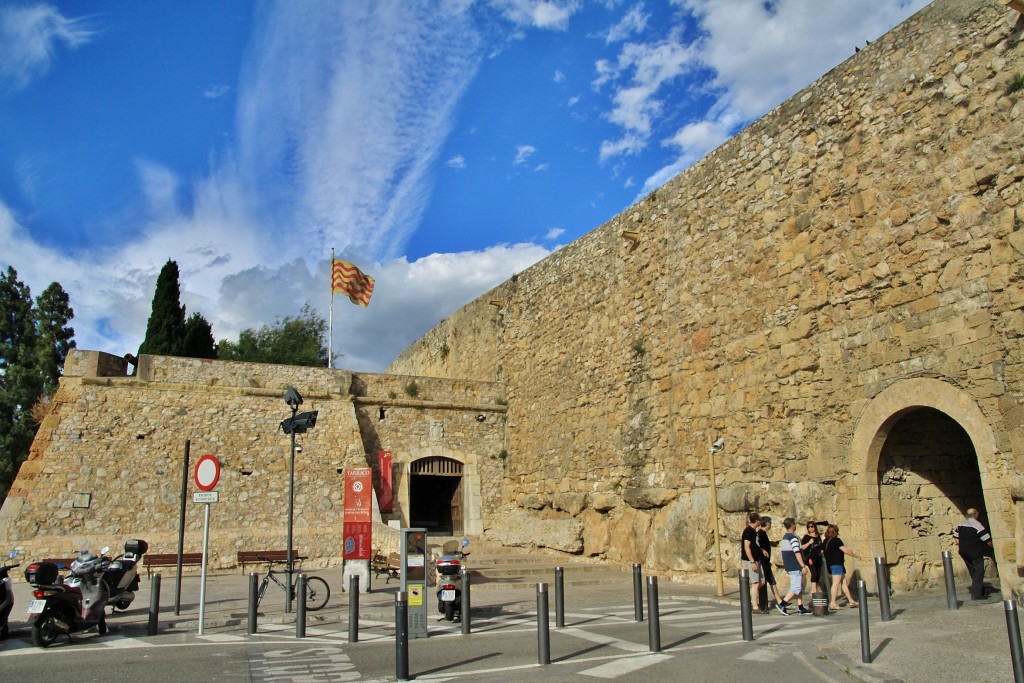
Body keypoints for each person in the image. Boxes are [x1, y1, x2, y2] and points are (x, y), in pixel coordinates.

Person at [953, 508, 994, 600]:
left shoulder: (961, 524)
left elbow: (956, 538)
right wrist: (993, 547)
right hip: (975, 552)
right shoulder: (977, 525)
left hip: (963, 551)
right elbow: (987, 540)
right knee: (979, 571)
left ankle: (980, 589)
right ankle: (976, 594)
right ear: (976, 515)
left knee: (973, 571)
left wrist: (964, 545)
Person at [777, 517, 811, 615]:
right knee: (796, 587)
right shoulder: (792, 538)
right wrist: (803, 566)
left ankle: (801, 607)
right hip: (794, 565)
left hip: (789, 565)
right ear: (792, 525)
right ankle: (782, 604)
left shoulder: (785, 537)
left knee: (799, 586)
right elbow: (797, 552)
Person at [823, 524, 859, 609]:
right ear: (836, 532)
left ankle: (851, 601)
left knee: (844, 583)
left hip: (831, 565)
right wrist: (856, 556)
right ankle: (832, 603)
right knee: (835, 584)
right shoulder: (836, 540)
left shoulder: (825, 541)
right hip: (837, 564)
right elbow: (845, 551)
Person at [757, 516, 784, 612]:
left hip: (765, 562)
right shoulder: (760, 534)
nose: (771, 525)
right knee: (765, 583)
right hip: (763, 562)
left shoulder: (763, 534)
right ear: (767, 523)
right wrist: (762, 550)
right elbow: (756, 546)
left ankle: (779, 601)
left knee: (771, 581)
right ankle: (763, 605)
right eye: (770, 523)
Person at [741, 512, 765, 613]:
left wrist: (761, 550)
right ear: (756, 521)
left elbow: (754, 544)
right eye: (760, 519)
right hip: (751, 560)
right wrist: (752, 562)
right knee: (755, 583)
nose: (761, 521)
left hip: (756, 558)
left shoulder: (754, 531)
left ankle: (752, 596)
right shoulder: (748, 531)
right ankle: (755, 606)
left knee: (762, 581)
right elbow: (747, 547)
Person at [801, 520, 827, 594]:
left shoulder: (818, 536)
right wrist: (809, 543)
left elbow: (820, 545)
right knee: (814, 574)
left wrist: (822, 550)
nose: (810, 528)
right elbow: (802, 547)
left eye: (812, 527)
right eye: (808, 527)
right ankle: (814, 591)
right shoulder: (806, 537)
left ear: (815, 527)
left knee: (818, 574)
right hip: (810, 558)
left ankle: (816, 588)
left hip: (818, 558)